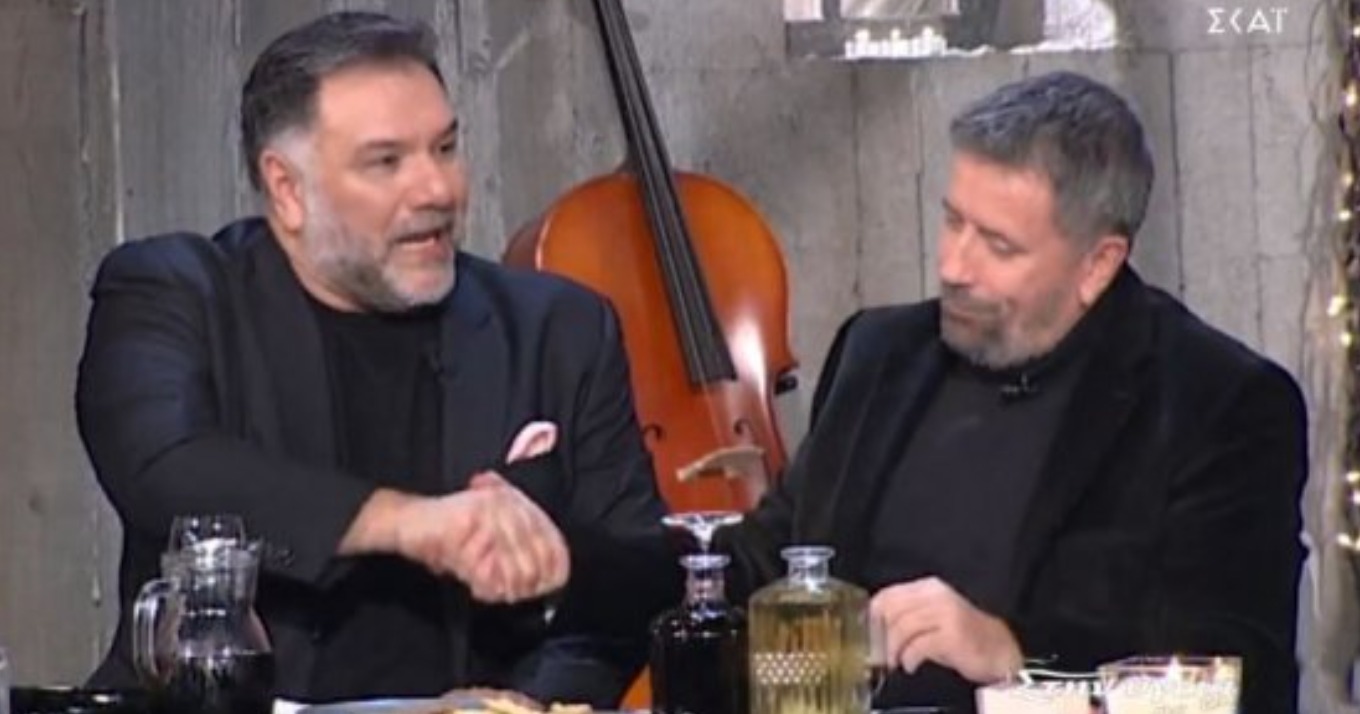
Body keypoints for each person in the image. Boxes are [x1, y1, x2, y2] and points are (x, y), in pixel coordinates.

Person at [77, 11, 675, 706]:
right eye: (386, 162)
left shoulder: (558, 328)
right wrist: (409, 523)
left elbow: (637, 584)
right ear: (287, 189)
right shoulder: (176, 292)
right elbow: (167, 466)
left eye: (445, 148)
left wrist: (519, 702)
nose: (437, 190)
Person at [716, 71, 1306, 714]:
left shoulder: (1217, 404)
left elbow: (1236, 685)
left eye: (997, 245)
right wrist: (630, 568)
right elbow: (760, 565)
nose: (953, 267)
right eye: (953, 222)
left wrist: (1016, 659)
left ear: (1097, 264)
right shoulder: (878, 352)